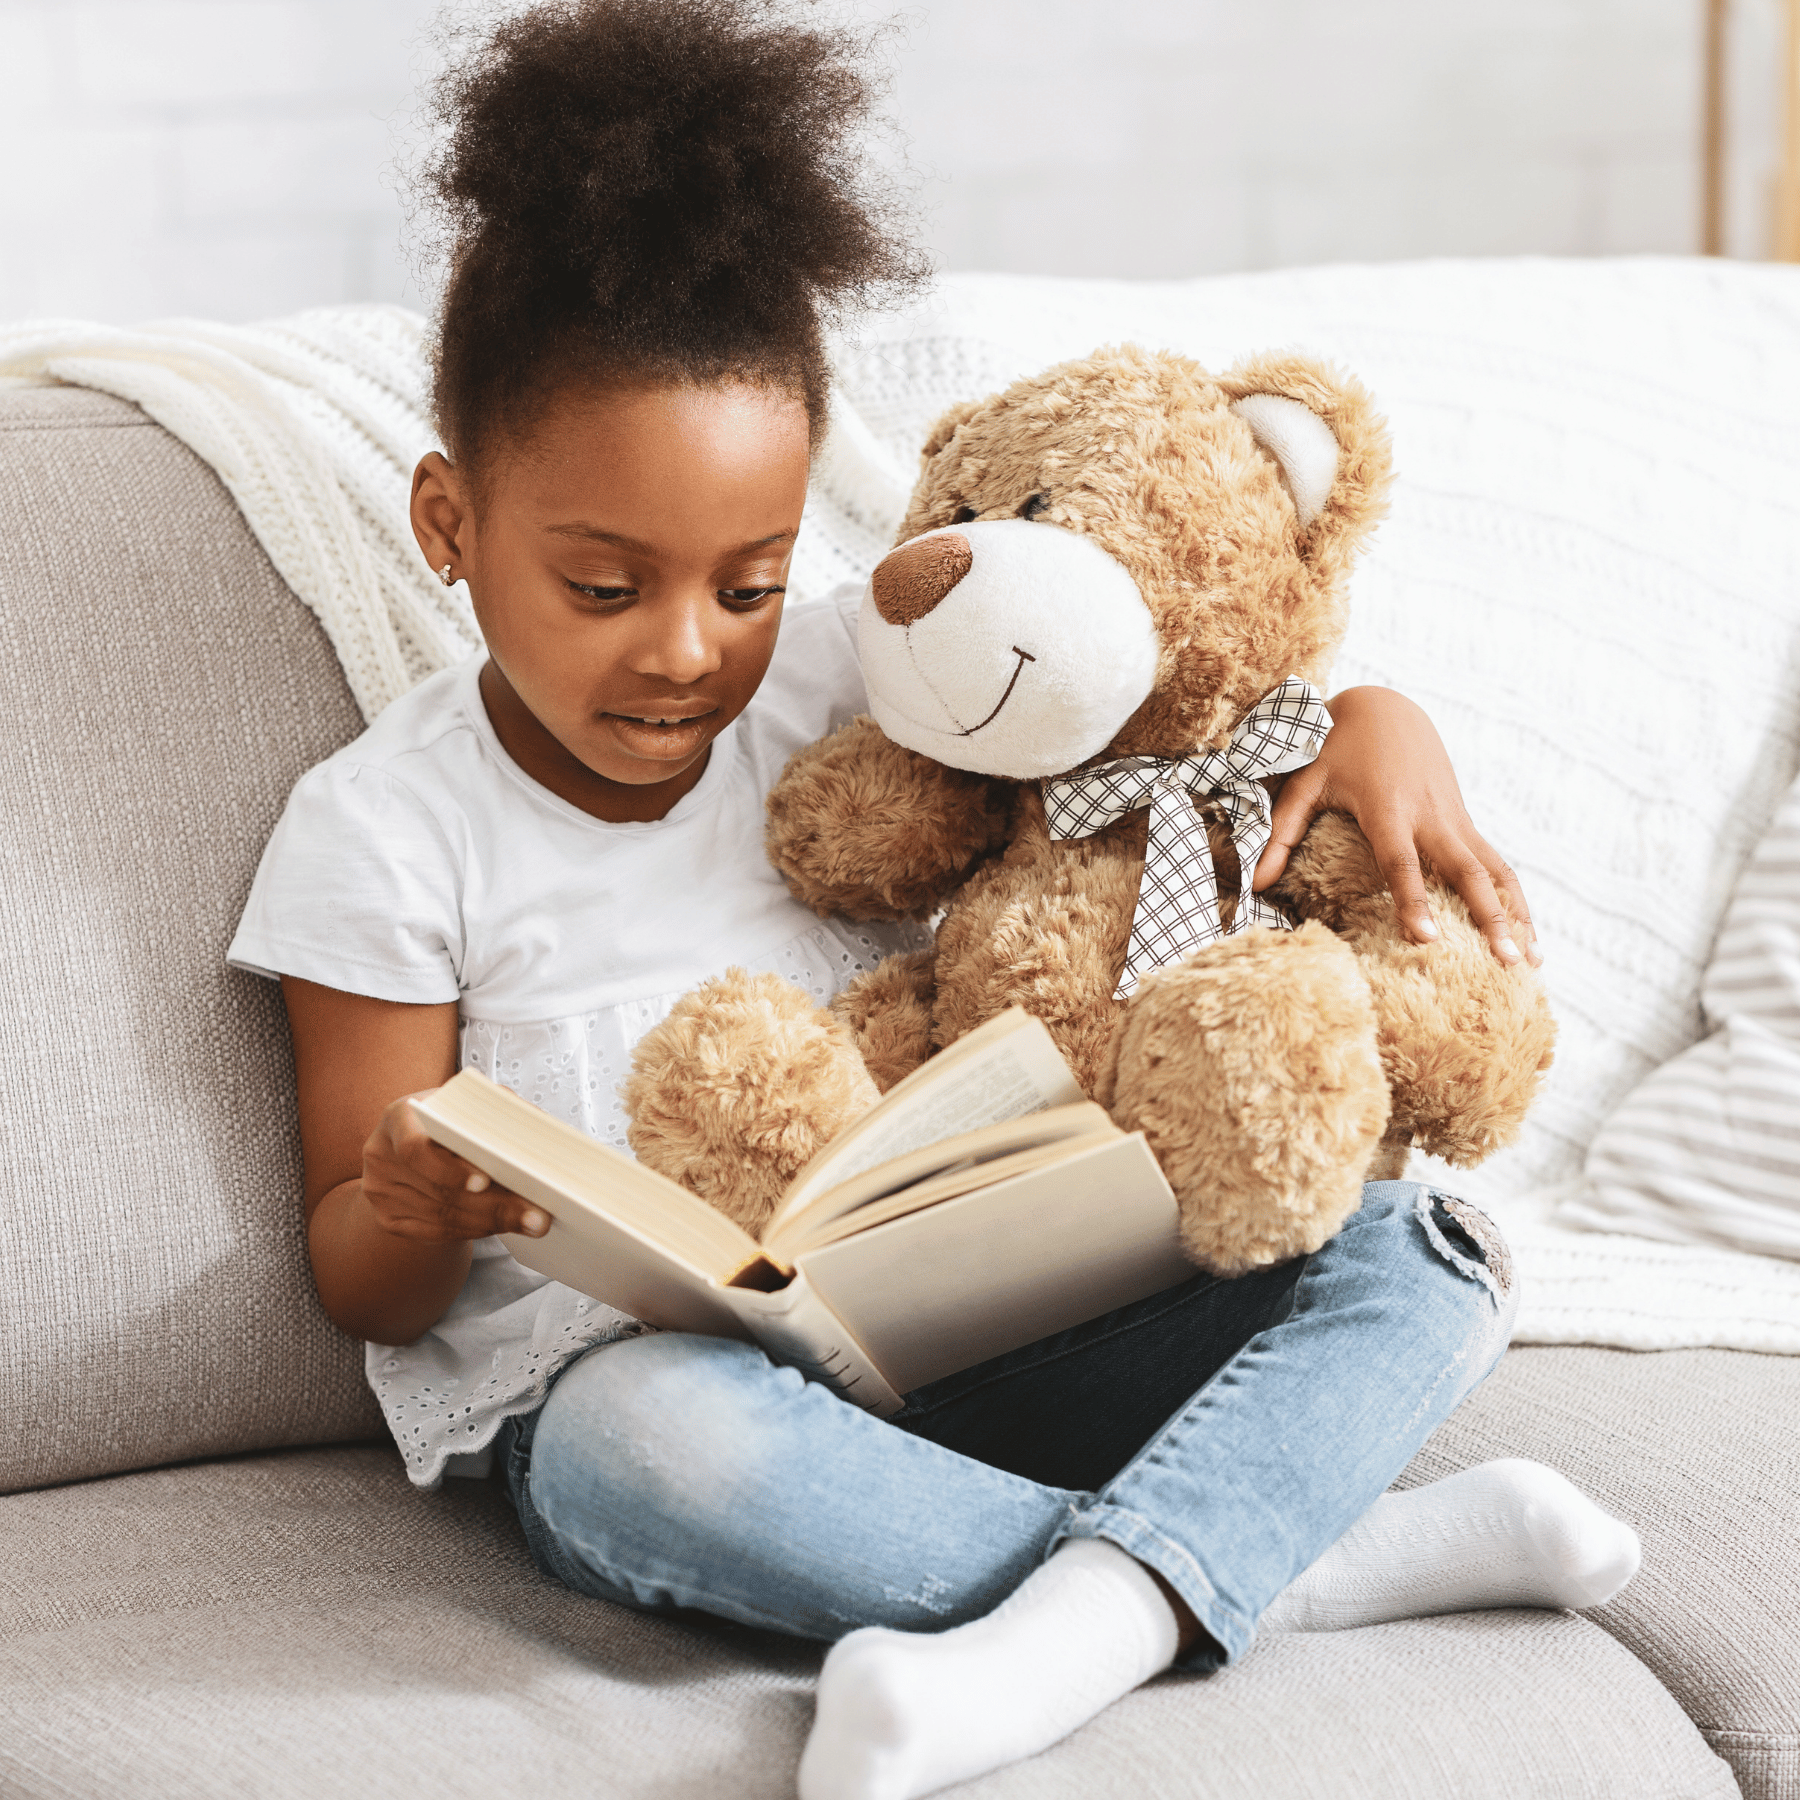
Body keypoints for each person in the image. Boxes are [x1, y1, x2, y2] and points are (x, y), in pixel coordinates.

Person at [228, 4, 1640, 1797]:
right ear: (451, 524)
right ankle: (1276, 1570)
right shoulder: (384, 831)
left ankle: (1071, 1621)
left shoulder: (858, 676)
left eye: (745, 582)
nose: (684, 652)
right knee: (631, 1450)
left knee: (1415, 1247)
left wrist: (1377, 722)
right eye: (601, 586)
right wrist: (412, 1199)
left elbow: (1170, 680)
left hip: (996, 1334)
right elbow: (363, 1286)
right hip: (675, 1395)